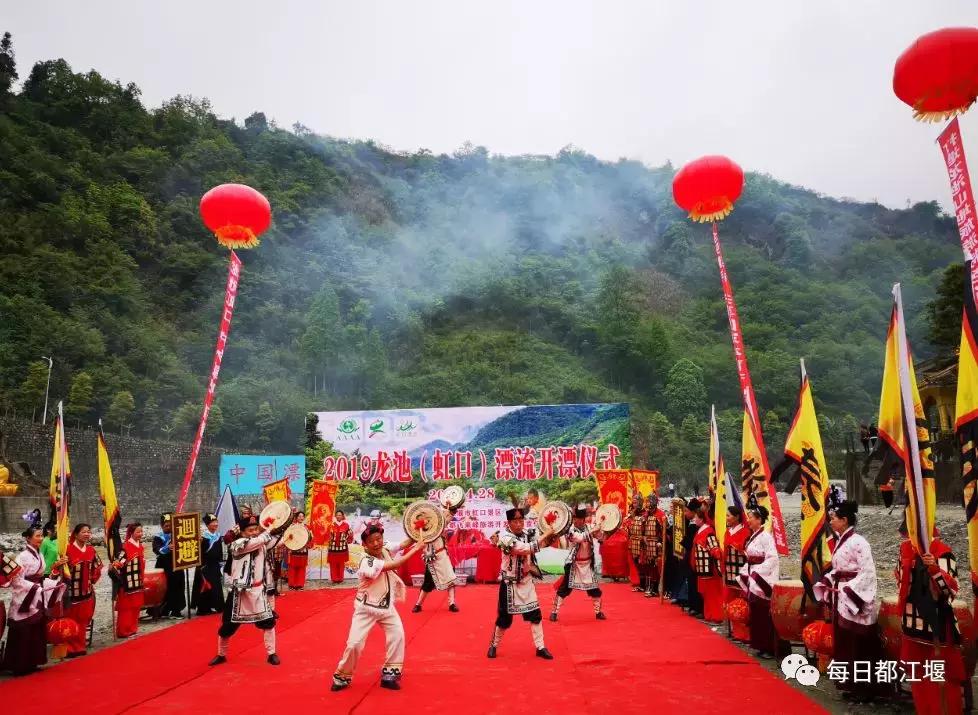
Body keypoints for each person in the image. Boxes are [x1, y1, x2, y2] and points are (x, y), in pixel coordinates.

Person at [331, 526, 422, 692]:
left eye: (378, 539)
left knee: (397, 635)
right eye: (371, 541)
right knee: (354, 644)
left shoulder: (385, 546)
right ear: (364, 544)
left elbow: (403, 544)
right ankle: (342, 676)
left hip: (386, 606)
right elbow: (396, 563)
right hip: (366, 608)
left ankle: (390, 674)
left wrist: (418, 529)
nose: (376, 543)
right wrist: (417, 548)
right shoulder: (366, 561)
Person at [813, 501, 885, 702]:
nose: (831, 521)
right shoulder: (841, 541)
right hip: (842, 596)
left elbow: (868, 573)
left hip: (854, 598)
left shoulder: (859, 542)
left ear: (844, 520)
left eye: (834, 518)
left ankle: (864, 689)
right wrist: (828, 581)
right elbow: (839, 569)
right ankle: (849, 684)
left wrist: (849, 591)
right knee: (844, 642)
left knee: (858, 645)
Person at [897, 525, 965, 715]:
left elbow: (950, 591)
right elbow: (901, 585)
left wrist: (934, 569)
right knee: (919, 678)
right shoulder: (904, 550)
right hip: (912, 624)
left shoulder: (943, 552)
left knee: (942, 680)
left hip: (937, 625)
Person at [209, 513, 283, 667]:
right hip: (239, 593)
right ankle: (221, 654)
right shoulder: (238, 545)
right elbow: (261, 539)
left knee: (269, 623)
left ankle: (271, 653)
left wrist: (285, 526)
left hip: (258, 592)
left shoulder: (260, 542)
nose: (254, 532)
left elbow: (276, 541)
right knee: (227, 626)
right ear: (242, 533)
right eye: (250, 530)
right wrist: (269, 530)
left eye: (256, 529)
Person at [487, 507, 557, 660]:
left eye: (521, 520)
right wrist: (546, 534)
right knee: (504, 619)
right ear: (509, 523)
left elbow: (541, 544)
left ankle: (540, 647)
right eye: (515, 521)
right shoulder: (504, 537)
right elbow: (524, 549)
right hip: (510, 584)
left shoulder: (527, 534)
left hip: (526, 582)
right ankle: (493, 645)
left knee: (535, 615)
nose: (519, 524)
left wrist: (551, 535)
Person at [0, 522, 67, 675]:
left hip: (37, 593)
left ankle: (33, 661)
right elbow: (16, 580)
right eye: (37, 536)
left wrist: (54, 574)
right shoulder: (22, 557)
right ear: (28, 539)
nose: (40, 538)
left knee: (36, 629)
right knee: (24, 630)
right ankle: (19, 665)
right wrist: (35, 587)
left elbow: (41, 576)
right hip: (25, 597)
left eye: (42, 535)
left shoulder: (40, 555)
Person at [738, 505, 786, 659]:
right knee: (757, 614)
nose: (749, 520)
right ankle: (760, 644)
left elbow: (772, 558)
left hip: (762, 579)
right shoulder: (755, 536)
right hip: (754, 575)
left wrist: (757, 573)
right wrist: (746, 571)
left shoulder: (766, 537)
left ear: (759, 520)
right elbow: (750, 559)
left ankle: (769, 647)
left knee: (764, 615)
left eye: (751, 517)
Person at [551, 506, 606, 622]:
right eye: (575, 518)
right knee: (564, 589)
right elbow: (580, 538)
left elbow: (601, 537)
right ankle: (554, 612)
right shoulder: (570, 530)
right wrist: (593, 530)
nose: (576, 520)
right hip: (574, 564)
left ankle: (598, 612)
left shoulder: (589, 527)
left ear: (584, 519)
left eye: (579, 518)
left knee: (595, 590)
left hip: (588, 563)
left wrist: (601, 530)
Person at [413, 503, 460, 613]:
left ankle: (452, 603)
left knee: (451, 579)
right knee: (428, 583)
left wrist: (451, 509)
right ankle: (418, 604)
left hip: (443, 556)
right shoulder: (420, 532)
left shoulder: (438, 526)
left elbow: (446, 519)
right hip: (431, 559)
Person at [64, 523, 103, 657]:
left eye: (88, 532)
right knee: (71, 619)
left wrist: (91, 580)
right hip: (71, 593)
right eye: (83, 532)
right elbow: (58, 570)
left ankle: (80, 646)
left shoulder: (91, 550)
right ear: (75, 534)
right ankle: (69, 647)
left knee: (82, 620)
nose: (87, 534)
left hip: (86, 592)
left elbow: (98, 567)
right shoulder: (66, 550)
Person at [689, 501, 723, 622]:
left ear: (702, 519)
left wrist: (715, 552)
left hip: (709, 568)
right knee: (706, 593)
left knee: (712, 593)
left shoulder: (708, 531)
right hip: (701, 567)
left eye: (696, 518)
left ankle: (716, 615)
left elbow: (714, 547)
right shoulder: (701, 530)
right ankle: (709, 614)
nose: (694, 520)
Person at [113, 522, 145, 638]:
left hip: (138, 581)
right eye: (138, 532)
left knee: (136, 606)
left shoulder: (140, 546)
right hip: (127, 583)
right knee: (126, 608)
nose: (140, 534)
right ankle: (123, 631)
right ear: (131, 533)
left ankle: (132, 628)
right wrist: (116, 566)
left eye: (141, 531)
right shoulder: (125, 547)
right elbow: (119, 565)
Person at [722, 505, 749, 640]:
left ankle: (743, 633)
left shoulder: (745, 532)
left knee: (741, 601)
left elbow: (748, 552)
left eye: (728, 515)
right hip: (728, 571)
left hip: (740, 571)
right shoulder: (728, 532)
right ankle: (732, 630)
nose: (726, 518)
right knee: (730, 600)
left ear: (737, 517)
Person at [153, 513, 186, 618]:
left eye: (171, 525)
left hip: (177, 564)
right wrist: (167, 548)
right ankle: (164, 610)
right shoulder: (158, 537)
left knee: (179, 587)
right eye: (166, 526)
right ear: (162, 526)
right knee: (166, 588)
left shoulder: (178, 534)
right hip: (165, 566)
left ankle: (176, 610)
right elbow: (156, 550)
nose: (169, 527)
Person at [191, 513, 225, 616]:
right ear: (208, 525)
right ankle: (203, 608)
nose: (215, 524)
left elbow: (219, 551)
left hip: (214, 565)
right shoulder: (203, 537)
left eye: (216, 522)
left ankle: (217, 605)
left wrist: (220, 562)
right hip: (205, 565)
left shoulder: (218, 536)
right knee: (205, 586)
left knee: (216, 586)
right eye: (213, 522)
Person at [680, 498, 703, 616]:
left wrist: (682, 541)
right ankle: (692, 604)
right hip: (691, 555)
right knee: (691, 580)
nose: (685, 513)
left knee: (694, 581)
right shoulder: (691, 523)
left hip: (695, 555)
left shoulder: (696, 525)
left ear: (694, 512)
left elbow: (690, 542)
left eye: (686, 511)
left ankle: (697, 606)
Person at [287, 511, 314, 590]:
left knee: (302, 568)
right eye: (299, 516)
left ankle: (300, 584)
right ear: (296, 517)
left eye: (302, 516)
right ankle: (292, 584)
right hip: (293, 550)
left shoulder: (307, 527)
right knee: (292, 568)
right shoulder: (292, 527)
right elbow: (288, 538)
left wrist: (306, 545)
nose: (301, 518)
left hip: (303, 550)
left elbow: (311, 539)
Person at [327, 510, 352, 583]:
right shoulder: (331, 525)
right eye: (337, 515)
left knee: (341, 564)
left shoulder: (346, 525)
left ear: (342, 516)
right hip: (333, 547)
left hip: (342, 548)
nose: (338, 516)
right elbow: (327, 535)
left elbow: (350, 534)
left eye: (340, 515)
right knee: (333, 563)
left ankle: (340, 579)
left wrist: (347, 540)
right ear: (335, 516)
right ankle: (334, 579)